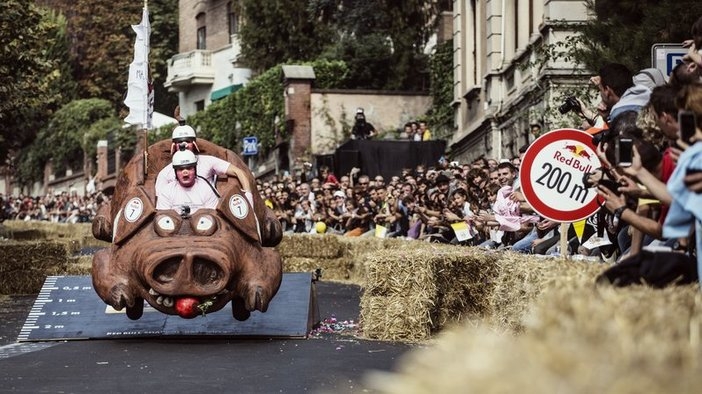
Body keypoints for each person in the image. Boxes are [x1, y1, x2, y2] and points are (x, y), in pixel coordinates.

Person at [155, 122, 253, 195]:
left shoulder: (208, 161)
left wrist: (248, 195)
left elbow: (239, 172)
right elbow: (160, 198)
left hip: (208, 213)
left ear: (194, 144)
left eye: (187, 141)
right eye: (180, 142)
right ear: (174, 145)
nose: (184, 144)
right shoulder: (165, 173)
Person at [156, 150, 220, 215]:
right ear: (175, 172)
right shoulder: (166, 191)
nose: (185, 172)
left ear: (195, 170)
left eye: (189, 168)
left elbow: (213, 217)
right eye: (180, 169)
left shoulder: (207, 190)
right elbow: (162, 218)